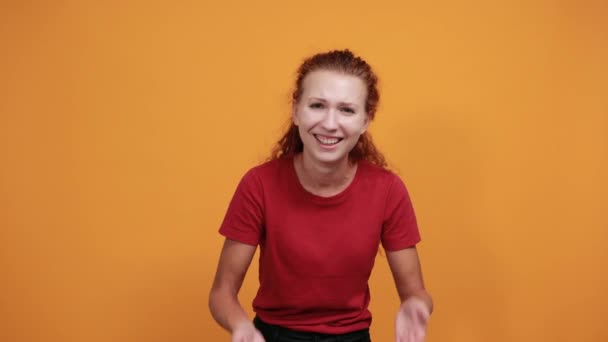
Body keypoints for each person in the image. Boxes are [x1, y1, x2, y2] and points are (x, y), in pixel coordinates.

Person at [209, 49, 433, 342]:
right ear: (296, 110)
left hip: (351, 337)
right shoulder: (259, 184)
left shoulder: (388, 190)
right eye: (317, 105)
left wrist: (416, 305)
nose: (329, 123)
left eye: (347, 110)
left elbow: (416, 292)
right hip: (270, 336)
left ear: (366, 120)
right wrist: (241, 327)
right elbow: (221, 293)